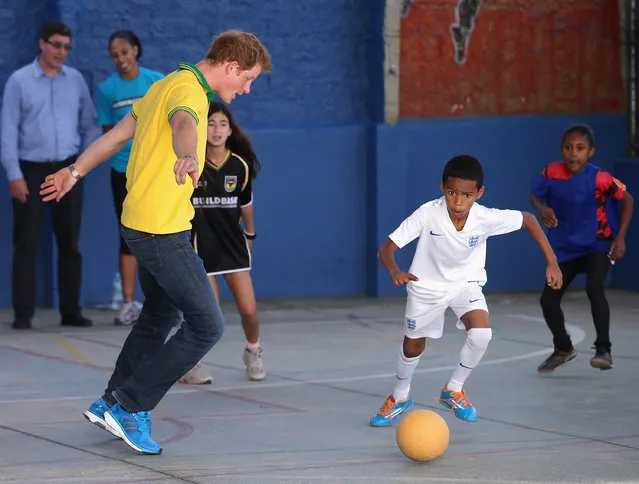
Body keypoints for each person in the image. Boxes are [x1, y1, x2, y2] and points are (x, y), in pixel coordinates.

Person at [40, 30, 271, 455]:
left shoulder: (163, 83)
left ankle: (111, 399)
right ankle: (131, 406)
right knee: (207, 325)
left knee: (159, 315)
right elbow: (184, 122)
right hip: (163, 233)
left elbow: (117, 136)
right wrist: (187, 152)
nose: (247, 89)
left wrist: (74, 172)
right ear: (232, 67)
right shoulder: (189, 93)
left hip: (139, 225)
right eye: (248, 79)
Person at [369, 155, 563, 427]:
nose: (458, 202)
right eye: (452, 193)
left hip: (465, 284)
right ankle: (400, 397)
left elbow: (529, 219)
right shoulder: (428, 213)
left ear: (479, 193)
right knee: (413, 345)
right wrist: (394, 272)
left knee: (482, 334)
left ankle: (454, 389)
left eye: (467, 195)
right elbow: (387, 247)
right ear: (442, 188)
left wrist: (552, 261)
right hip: (426, 286)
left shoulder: (485, 218)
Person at [1, 21, 100, 330]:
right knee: (26, 243)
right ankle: (23, 314)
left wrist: (80, 167)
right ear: (42, 44)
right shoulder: (19, 81)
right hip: (30, 171)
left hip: (68, 169)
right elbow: (7, 131)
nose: (61, 52)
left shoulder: (76, 81)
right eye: (56, 45)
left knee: (70, 242)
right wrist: (14, 174)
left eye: (66, 47)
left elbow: (90, 125)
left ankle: (71, 312)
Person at [531, 124, 634, 373]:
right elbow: (535, 195)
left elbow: (627, 199)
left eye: (580, 148)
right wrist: (542, 209)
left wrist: (620, 238)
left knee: (594, 288)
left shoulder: (600, 177)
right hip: (566, 249)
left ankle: (603, 349)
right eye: (568, 148)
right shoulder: (551, 173)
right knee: (548, 300)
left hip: (597, 244)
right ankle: (563, 348)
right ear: (561, 150)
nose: (573, 154)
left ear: (591, 152)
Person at [179, 101, 265, 385]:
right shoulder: (192, 163)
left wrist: (249, 234)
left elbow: (246, 205)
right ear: (202, 129)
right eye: (211, 123)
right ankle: (193, 363)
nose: (216, 130)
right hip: (200, 247)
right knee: (208, 314)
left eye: (222, 124)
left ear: (230, 131)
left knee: (249, 309)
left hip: (232, 247)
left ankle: (253, 351)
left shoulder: (239, 166)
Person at [97, 30, 165, 326]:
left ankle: (163, 299)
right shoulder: (106, 89)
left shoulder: (155, 81)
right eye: (115, 54)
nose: (120, 59)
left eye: (124, 51)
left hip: (153, 172)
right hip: (122, 173)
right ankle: (127, 303)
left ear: (136, 50)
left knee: (160, 233)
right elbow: (107, 134)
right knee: (129, 235)